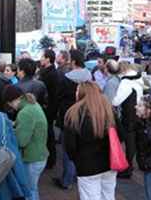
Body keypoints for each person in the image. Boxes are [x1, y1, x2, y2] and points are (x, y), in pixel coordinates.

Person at [64, 82, 117, 200]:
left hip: (87, 165)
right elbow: (121, 136)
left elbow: (70, 146)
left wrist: (76, 160)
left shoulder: (74, 113)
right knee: (108, 196)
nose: (75, 93)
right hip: (109, 163)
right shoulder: (108, 110)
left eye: (78, 90)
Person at [55, 49, 92, 190]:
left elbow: (59, 97)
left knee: (68, 147)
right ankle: (78, 174)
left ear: (74, 62)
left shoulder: (66, 78)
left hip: (68, 115)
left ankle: (66, 180)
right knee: (82, 146)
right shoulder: (89, 75)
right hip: (85, 114)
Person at [3, 85, 49, 200]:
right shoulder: (33, 104)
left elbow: (21, 141)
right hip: (40, 155)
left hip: (32, 158)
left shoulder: (25, 113)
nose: (11, 107)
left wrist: (11, 133)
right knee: (33, 189)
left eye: (9, 103)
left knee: (29, 191)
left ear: (15, 99)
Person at [112, 61, 145, 178]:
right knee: (134, 142)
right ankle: (131, 165)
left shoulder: (126, 82)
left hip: (128, 115)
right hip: (138, 114)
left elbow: (116, 101)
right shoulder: (138, 78)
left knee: (129, 143)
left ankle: (127, 168)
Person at [39, 49, 59, 169]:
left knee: (48, 134)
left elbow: (50, 94)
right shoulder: (48, 72)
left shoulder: (50, 74)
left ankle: (51, 159)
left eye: (42, 57)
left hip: (48, 109)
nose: (40, 59)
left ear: (48, 59)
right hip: (49, 108)